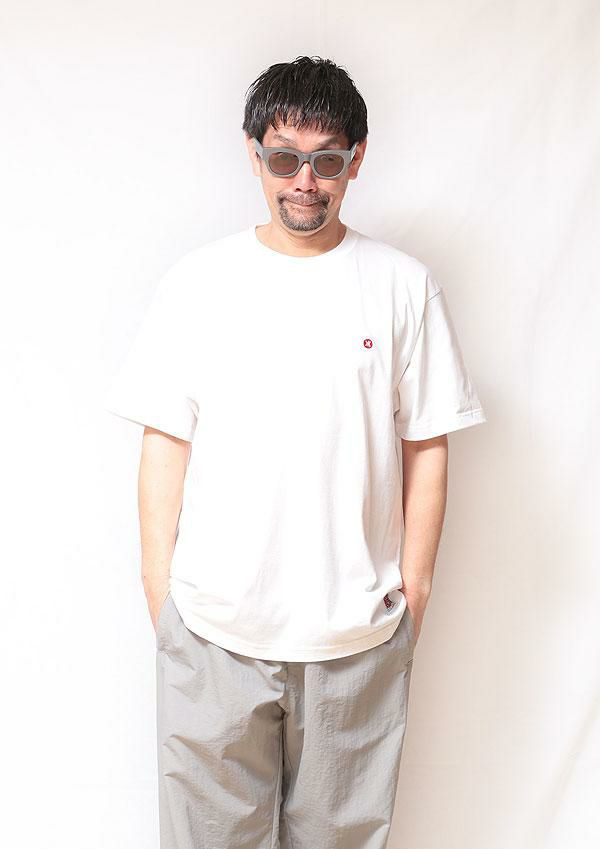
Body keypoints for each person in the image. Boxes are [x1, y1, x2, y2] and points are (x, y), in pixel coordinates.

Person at [105, 55, 487, 849]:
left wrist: (413, 595)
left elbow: (427, 443)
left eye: (326, 160)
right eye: (284, 158)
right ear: (254, 154)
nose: (304, 181)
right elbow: (165, 441)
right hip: (213, 635)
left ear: (357, 158)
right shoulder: (198, 283)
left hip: (356, 643)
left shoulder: (402, 286)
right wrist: (163, 598)